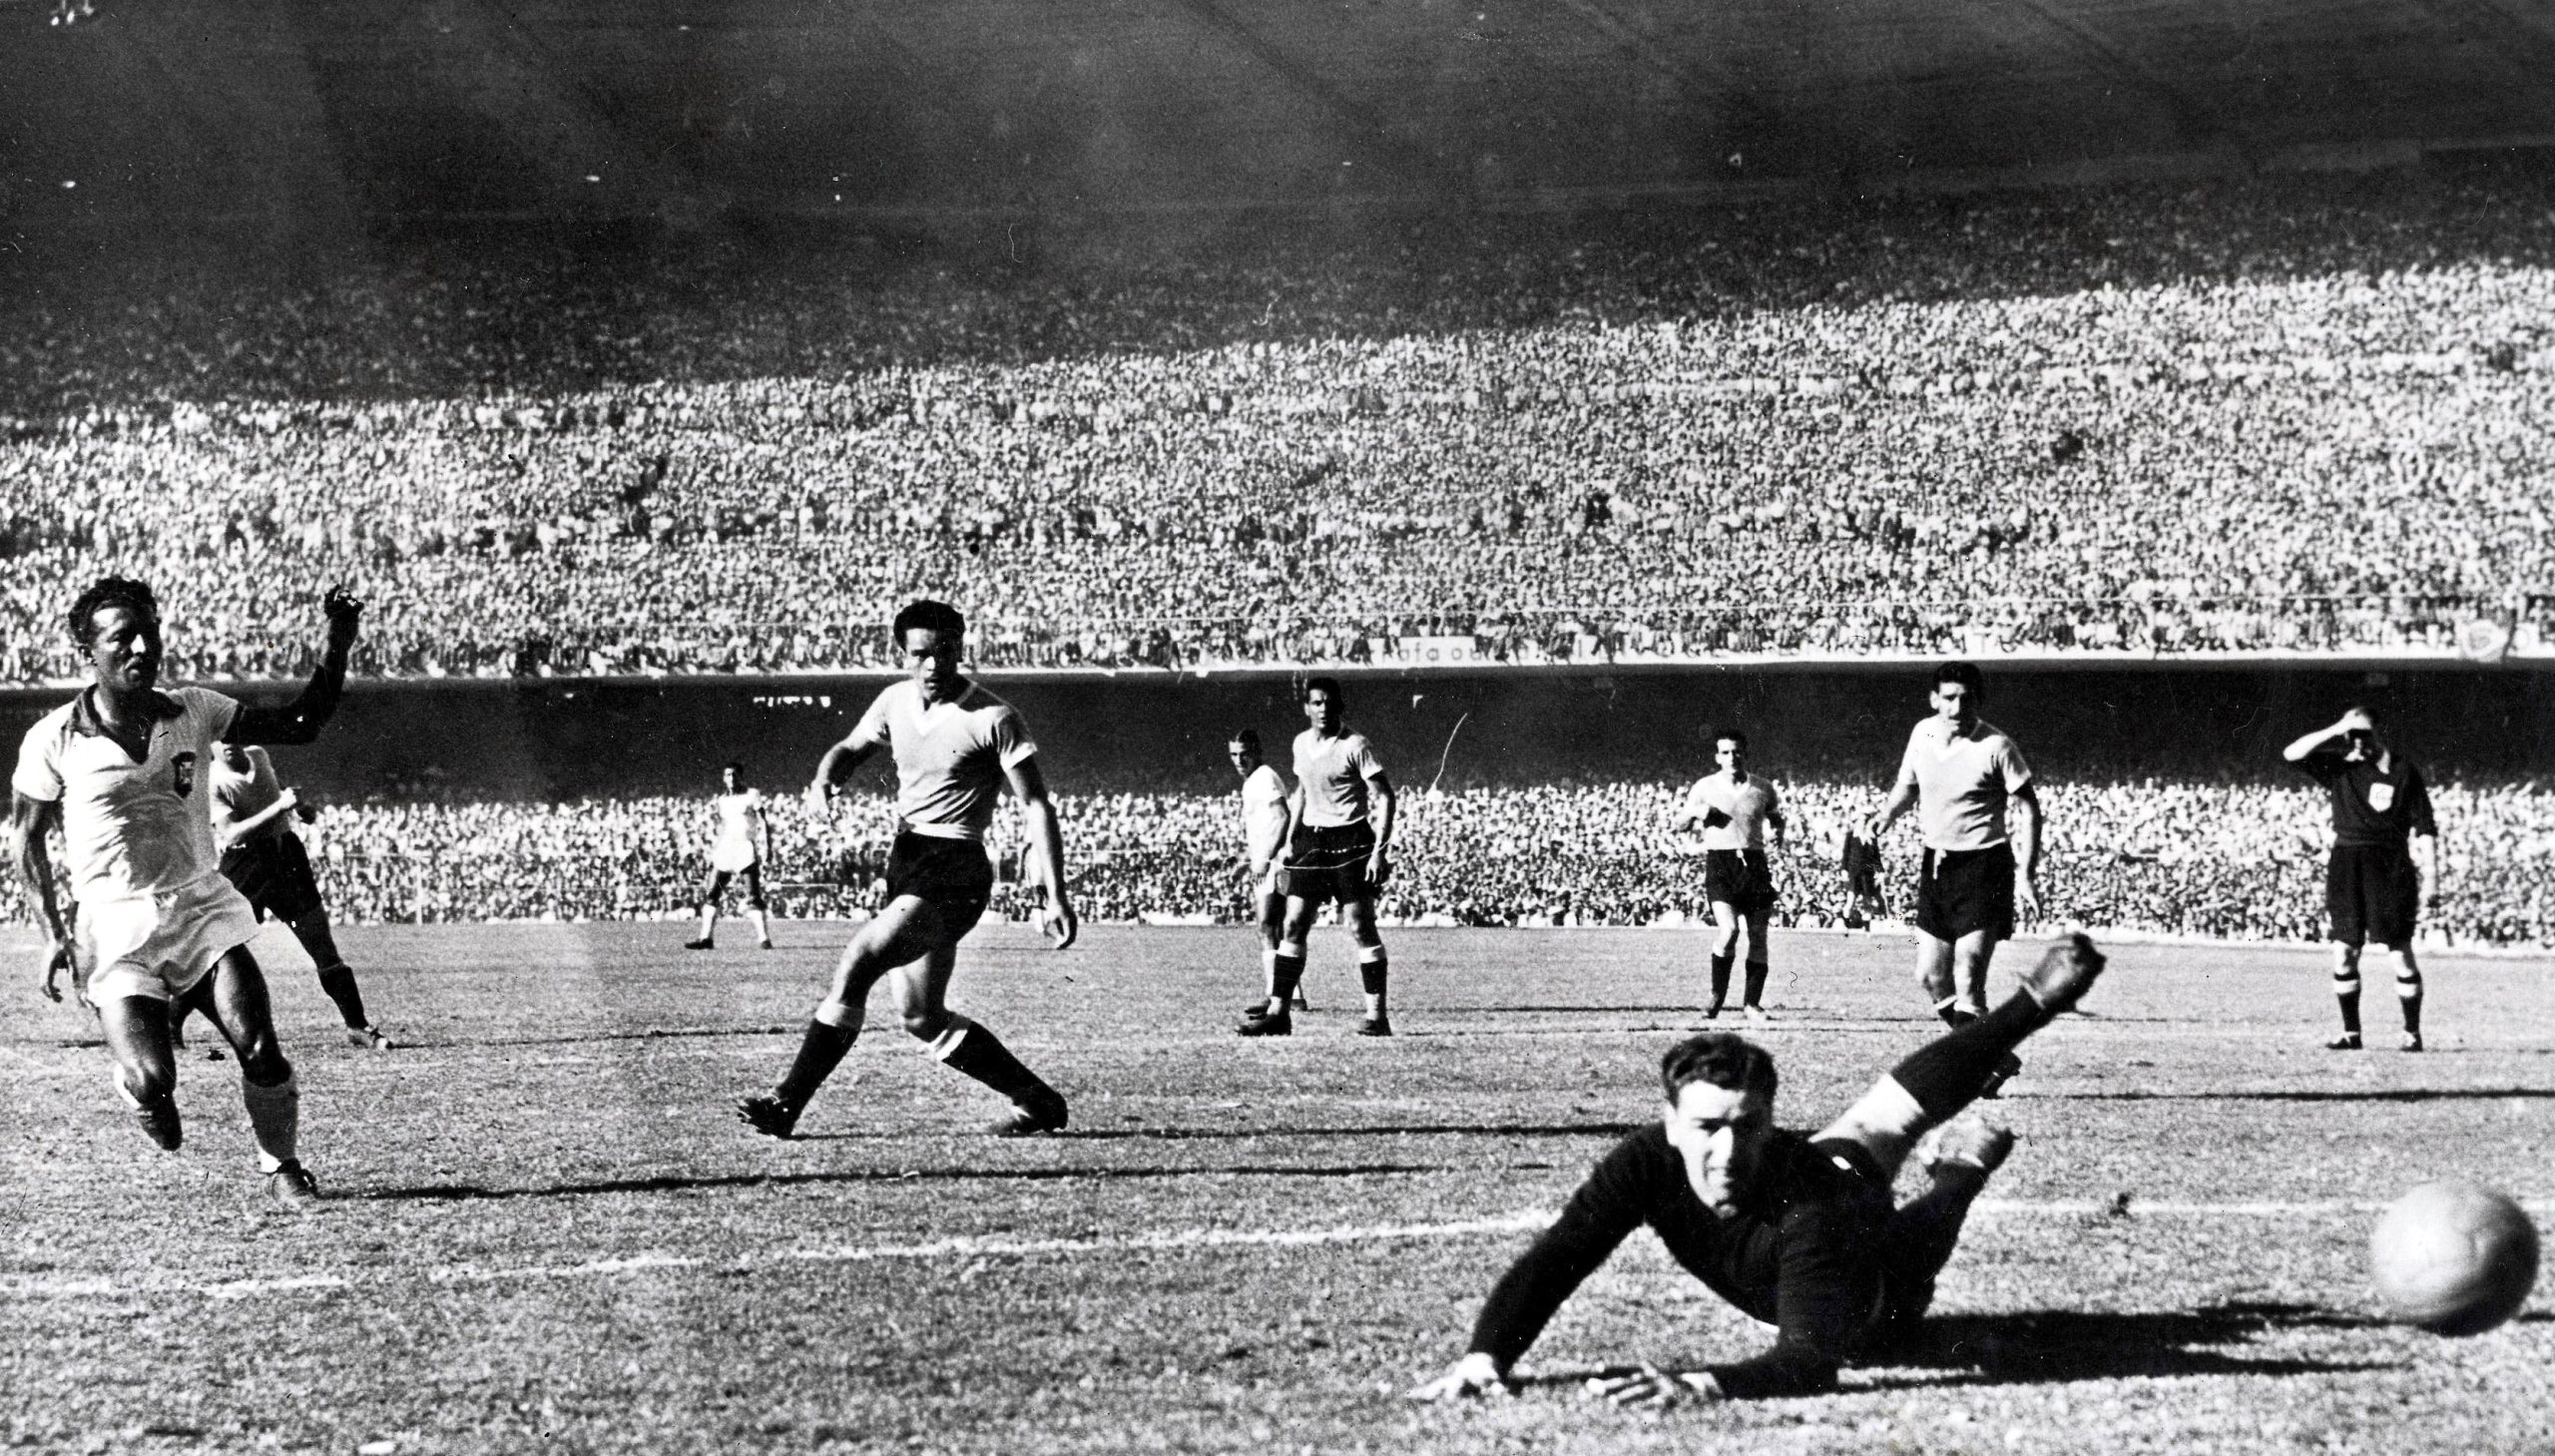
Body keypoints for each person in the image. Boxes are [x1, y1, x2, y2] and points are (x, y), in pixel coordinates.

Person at [1409, 933, 2108, 1408]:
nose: (1725, 1149)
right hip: (1832, 1173)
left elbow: (1808, 1361)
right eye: (1707, 1127)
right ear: (1672, 1121)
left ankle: (1962, 1171)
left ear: (1773, 1124)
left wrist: (1705, 1382)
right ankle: (2031, 1006)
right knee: (1875, 1121)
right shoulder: (1647, 1159)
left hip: (1866, 1280)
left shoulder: (1815, 1210)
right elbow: (1563, 1252)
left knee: (1902, 1271)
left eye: (1747, 1128)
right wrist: (1485, 1355)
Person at [9, 576, 362, 1211]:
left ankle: (282, 1165)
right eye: (124, 638)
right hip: (116, 929)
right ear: (87, 652)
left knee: (259, 1046)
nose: (143, 647)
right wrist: (52, 933)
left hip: (201, 908)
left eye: (151, 633)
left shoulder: (194, 709)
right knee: (151, 1076)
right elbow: (25, 839)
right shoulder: (54, 738)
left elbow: (302, 724)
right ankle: (142, 1092)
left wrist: (339, 639)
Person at [736, 600, 1077, 1139]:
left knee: (860, 959)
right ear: (904, 654)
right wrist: (826, 778)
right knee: (921, 1017)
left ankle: (787, 1102)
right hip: (909, 859)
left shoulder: (994, 717)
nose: (933, 665)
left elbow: (1037, 805)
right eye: (920, 654)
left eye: (944, 652)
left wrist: (1054, 893)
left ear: (961, 648)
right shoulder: (894, 701)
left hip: (955, 866)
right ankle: (1037, 1101)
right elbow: (849, 748)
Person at [1865, 663, 2042, 1094]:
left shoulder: (1997, 746)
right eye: (1948, 697)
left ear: (1977, 701)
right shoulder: (1922, 734)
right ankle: (1993, 1054)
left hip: (1985, 865)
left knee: (1968, 970)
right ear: (1934, 699)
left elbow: (2029, 808)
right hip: (1937, 864)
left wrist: (2025, 873)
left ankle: (1976, 1075)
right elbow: (1907, 786)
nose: (1956, 706)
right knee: (1930, 976)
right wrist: (1885, 815)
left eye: (1965, 698)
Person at [208, 739, 393, 1050]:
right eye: (219, 737)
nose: (227, 742)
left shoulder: (259, 756)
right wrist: (279, 807)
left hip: (285, 857)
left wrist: (299, 807)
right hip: (245, 864)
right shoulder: (212, 779)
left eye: (232, 734)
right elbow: (230, 834)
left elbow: (278, 795)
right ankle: (173, 1022)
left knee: (323, 946)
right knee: (219, 952)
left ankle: (357, 1025)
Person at [1239, 677, 1396, 1038]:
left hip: (1351, 840)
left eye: (1329, 703)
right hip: (1312, 841)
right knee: (1293, 924)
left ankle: (1377, 1016)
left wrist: (1378, 852)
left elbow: (1385, 796)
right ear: (1307, 708)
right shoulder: (1300, 744)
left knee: (1359, 927)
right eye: (1316, 703)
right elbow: (1302, 792)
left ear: (1340, 706)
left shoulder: (1356, 745)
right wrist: (1291, 839)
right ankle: (1279, 1013)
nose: (1323, 709)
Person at [2282, 707, 2440, 1052]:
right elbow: (2291, 753)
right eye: (2353, 734)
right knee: (2344, 951)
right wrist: (2337, 727)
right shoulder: (2340, 767)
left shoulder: (2402, 771)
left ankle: (2411, 1033)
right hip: (2346, 862)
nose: (2358, 740)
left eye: (2365, 733)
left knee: (2399, 950)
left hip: (2390, 863)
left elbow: (2425, 827)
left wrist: (2432, 878)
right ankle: (2351, 1034)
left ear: (2380, 733)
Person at [1671, 729, 1787, 1020]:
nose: (1731, 757)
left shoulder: (1762, 788)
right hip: (1721, 864)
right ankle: (1716, 996)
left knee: (1758, 936)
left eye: (1736, 751)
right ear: (1717, 757)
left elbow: (1775, 816)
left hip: (1755, 863)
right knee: (1729, 931)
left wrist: (1778, 834)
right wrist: (1696, 812)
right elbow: (1679, 824)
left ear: (1745, 753)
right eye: (1725, 752)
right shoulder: (1704, 787)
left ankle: (1752, 1004)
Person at [1229, 729, 1305, 1016]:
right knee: (1275, 929)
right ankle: (1289, 995)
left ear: (1257, 751)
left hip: (1274, 863)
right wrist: (1247, 859)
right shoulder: (1254, 781)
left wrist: (1265, 858)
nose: (1239, 760)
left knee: (1267, 926)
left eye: (1244, 754)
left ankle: (1279, 995)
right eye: (1234, 755)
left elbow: (1282, 816)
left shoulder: (1263, 777)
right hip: (1269, 861)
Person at [685, 761, 774, 951]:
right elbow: (725, 825)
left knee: (753, 895)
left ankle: (764, 939)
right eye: (727, 775)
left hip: (744, 847)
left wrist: (767, 846)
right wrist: (716, 847)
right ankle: (705, 939)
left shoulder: (752, 795)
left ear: (741, 776)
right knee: (712, 892)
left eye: (734, 775)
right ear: (723, 778)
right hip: (726, 848)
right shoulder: (722, 800)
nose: (731, 778)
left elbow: (764, 821)